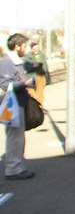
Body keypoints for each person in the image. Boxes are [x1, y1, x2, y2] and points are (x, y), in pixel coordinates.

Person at [0, 33, 35, 180]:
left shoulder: (17, 61)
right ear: (17, 46)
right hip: (11, 105)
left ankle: (17, 166)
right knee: (14, 137)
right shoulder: (6, 62)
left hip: (19, 103)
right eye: (24, 46)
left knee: (18, 137)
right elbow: (5, 85)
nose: (26, 49)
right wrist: (24, 83)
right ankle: (13, 170)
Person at [24, 40, 50, 106]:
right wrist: (34, 66)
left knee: (40, 94)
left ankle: (39, 107)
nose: (36, 50)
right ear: (31, 49)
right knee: (32, 94)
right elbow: (26, 68)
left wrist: (48, 78)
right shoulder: (27, 56)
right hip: (31, 78)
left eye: (37, 48)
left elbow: (45, 67)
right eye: (34, 49)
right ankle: (35, 106)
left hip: (41, 77)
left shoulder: (42, 55)